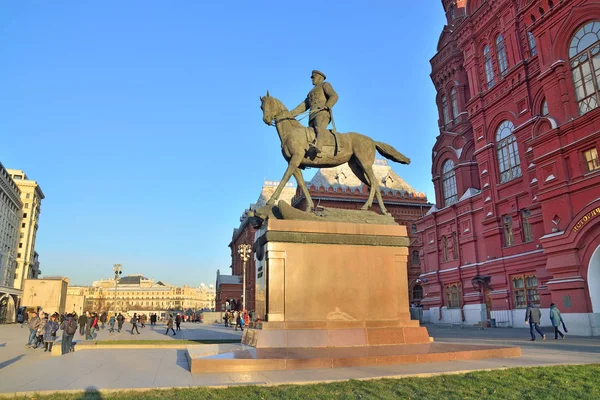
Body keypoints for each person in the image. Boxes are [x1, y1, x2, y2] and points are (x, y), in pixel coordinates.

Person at [290, 70, 339, 154]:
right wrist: (290, 114)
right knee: (310, 133)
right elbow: (303, 106)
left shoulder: (325, 85)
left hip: (322, 112)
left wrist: (327, 106)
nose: (312, 79)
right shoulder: (310, 92)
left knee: (319, 128)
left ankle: (319, 146)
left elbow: (334, 96)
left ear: (320, 78)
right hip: (312, 115)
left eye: (314, 77)